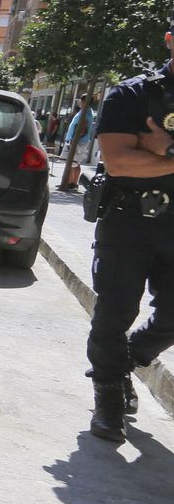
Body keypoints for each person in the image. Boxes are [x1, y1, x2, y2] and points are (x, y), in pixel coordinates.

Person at [79, 30, 174, 443]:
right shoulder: (131, 96)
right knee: (115, 312)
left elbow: (142, 159)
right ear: (169, 40)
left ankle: (125, 363)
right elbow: (119, 162)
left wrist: (160, 152)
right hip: (128, 220)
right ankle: (109, 399)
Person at [58, 93, 98, 192]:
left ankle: (70, 182)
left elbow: (82, 127)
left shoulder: (85, 112)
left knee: (72, 162)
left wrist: (74, 139)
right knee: (76, 163)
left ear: (84, 102)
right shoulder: (86, 111)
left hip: (79, 141)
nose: (79, 102)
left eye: (80, 100)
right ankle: (74, 182)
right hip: (81, 140)